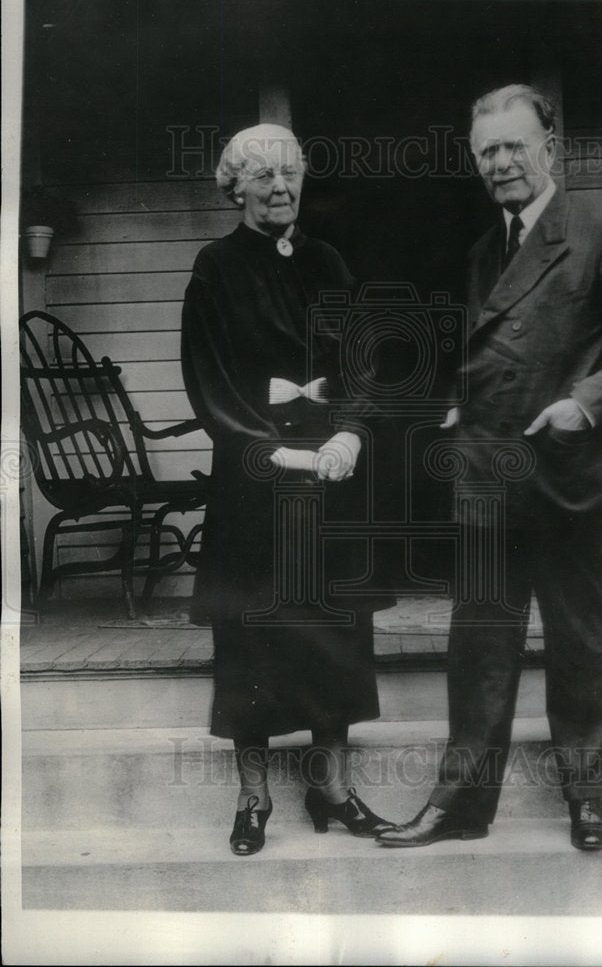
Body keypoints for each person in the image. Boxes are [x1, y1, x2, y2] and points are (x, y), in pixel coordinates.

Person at [377, 84, 602, 851]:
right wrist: (460, 401)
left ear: (551, 146)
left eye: (514, 145)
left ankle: (585, 797)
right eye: (487, 151)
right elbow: (491, 354)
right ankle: (460, 807)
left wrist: (584, 404)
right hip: (487, 476)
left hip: (567, 475)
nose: (501, 162)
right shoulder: (486, 250)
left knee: (579, 644)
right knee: (478, 645)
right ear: (475, 163)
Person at [181, 123, 395, 856]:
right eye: (262, 176)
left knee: (335, 632)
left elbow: (363, 369)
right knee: (250, 638)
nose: (279, 188)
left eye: (289, 174)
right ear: (234, 186)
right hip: (253, 485)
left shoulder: (328, 262)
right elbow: (208, 386)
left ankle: (331, 788)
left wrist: (349, 435)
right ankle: (253, 797)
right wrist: (274, 453)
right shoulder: (213, 268)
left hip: (329, 481)